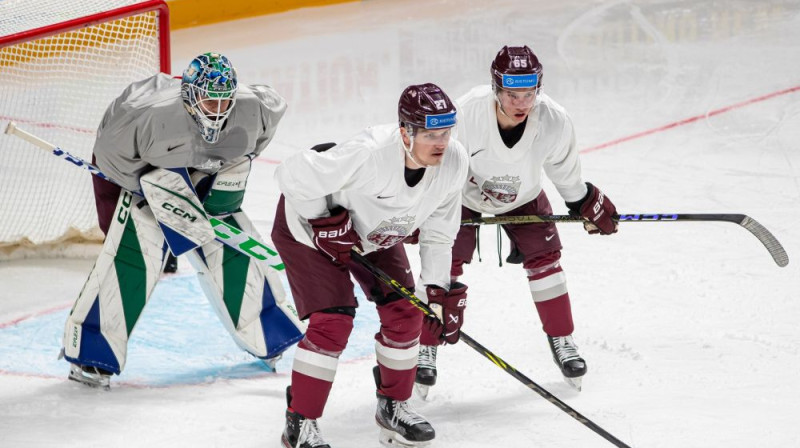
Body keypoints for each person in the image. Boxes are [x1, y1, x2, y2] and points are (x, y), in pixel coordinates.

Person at [61, 52, 305, 389]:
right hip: (144, 175)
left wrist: (213, 181)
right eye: (209, 101)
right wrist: (160, 195)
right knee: (133, 253)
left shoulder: (255, 109)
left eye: (224, 102)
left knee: (232, 248)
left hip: (212, 168)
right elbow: (108, 166)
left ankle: (267, 332)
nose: (218, 111)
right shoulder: (142, 119)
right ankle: (93, 354)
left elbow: (255, 142)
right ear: (189, 95)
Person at [272, 83, 470, 448]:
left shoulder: (454, 162)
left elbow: (440, 233)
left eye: (445, 132)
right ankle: (299, 423)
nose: (440, 142)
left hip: (376, 234)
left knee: (408, 313)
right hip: (307, 230)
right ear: (404, 132)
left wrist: (436, 292)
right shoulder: (371, 153)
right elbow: (291, 173)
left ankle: (393, 407)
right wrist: (322, 220)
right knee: (333, 321)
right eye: (430, 133)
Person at [414, 45, 619, 395]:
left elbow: (566, 174)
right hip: (461, 196)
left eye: (529, 94)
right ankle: (425, 347)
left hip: (524, 196)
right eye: (512, 94)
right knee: (442, 267)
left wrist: (583, 200)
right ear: (496, 87)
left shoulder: (553, 119)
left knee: (547, 262)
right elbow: (438, 164)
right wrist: (423, 209)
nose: (522, 103)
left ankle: (562, 339)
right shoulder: (467, 114)